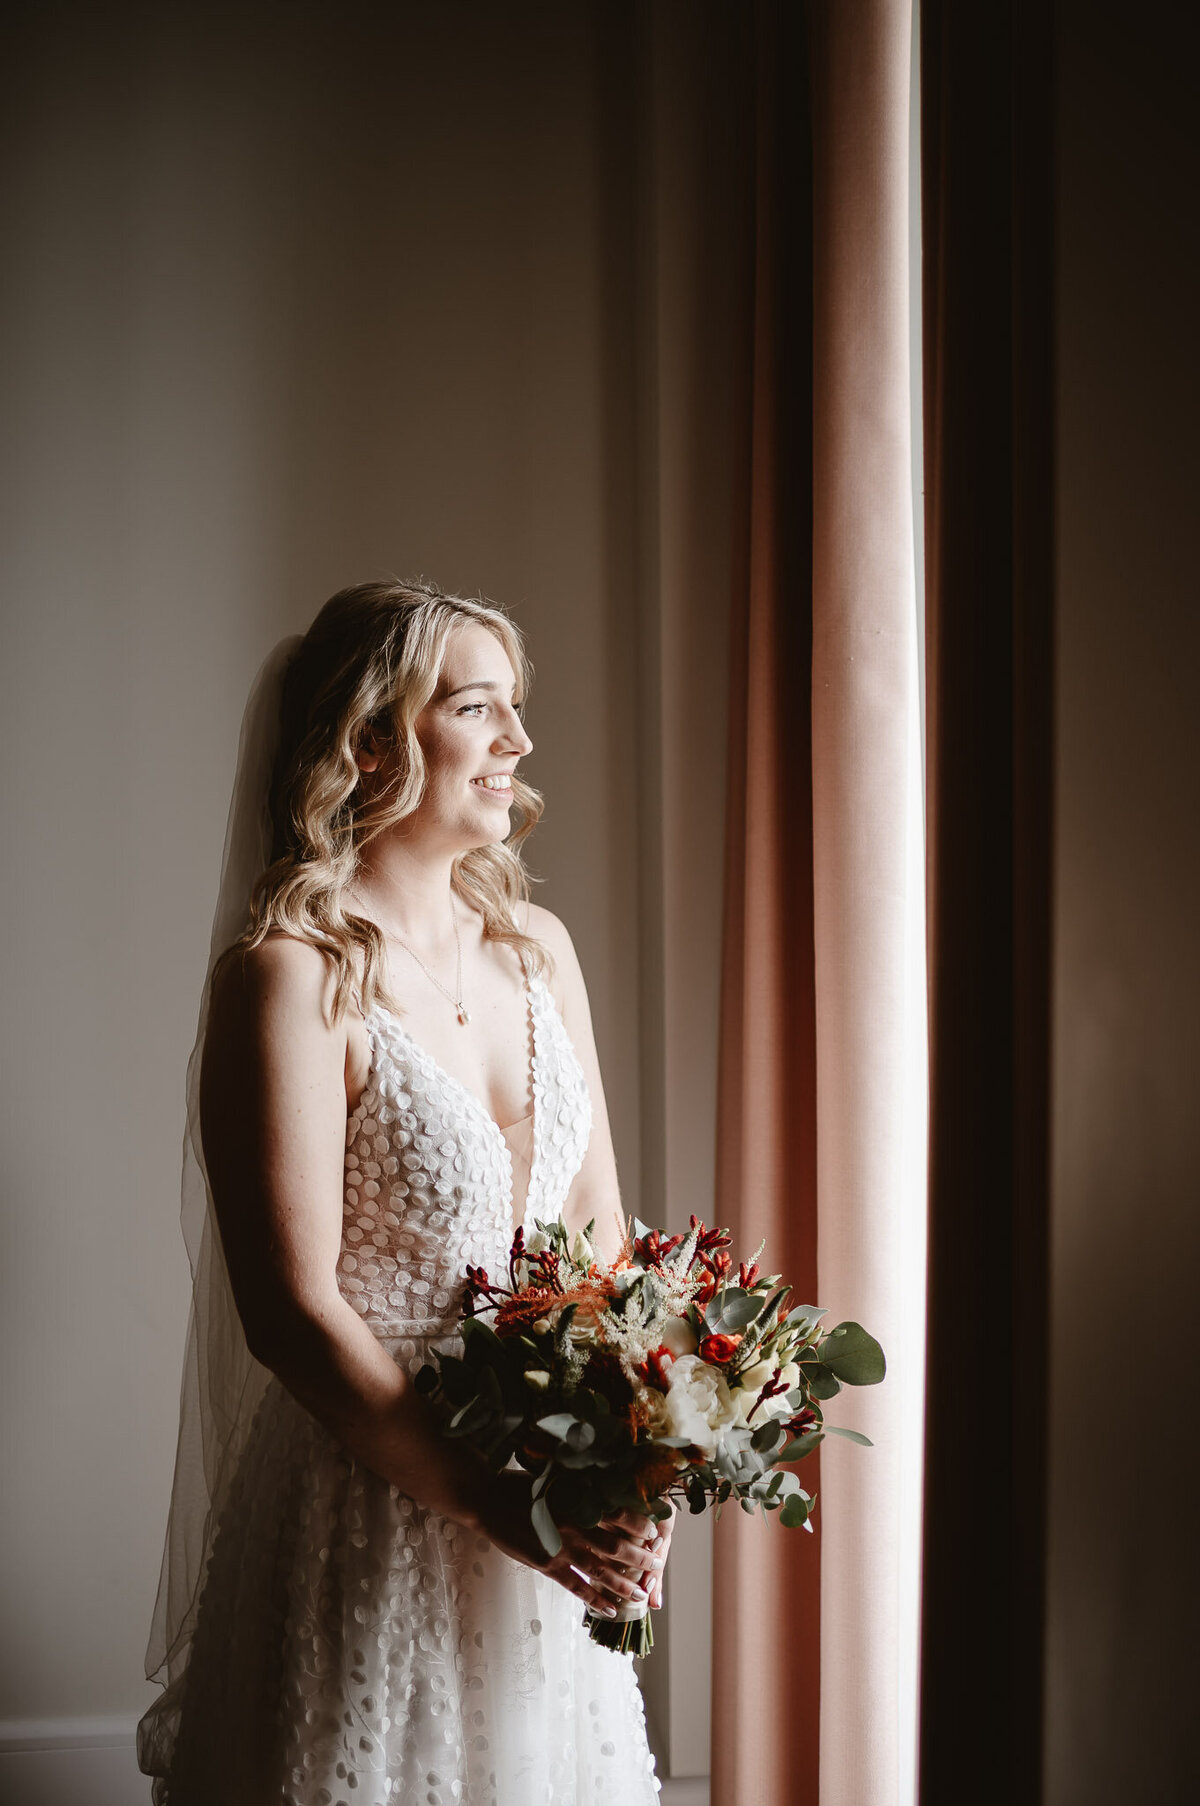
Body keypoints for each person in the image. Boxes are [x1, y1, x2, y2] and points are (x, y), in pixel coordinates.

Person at [137, 579, 669, 1804]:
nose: (520, 743)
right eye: (479, 709)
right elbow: (291, 1314)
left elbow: (598, 1238)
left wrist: (638, 1469)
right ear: (369, 739)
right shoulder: (288, 979)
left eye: (515, 709)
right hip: (365, 1513)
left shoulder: (541, 953)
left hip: (543, 1514)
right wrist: (493, 1502)